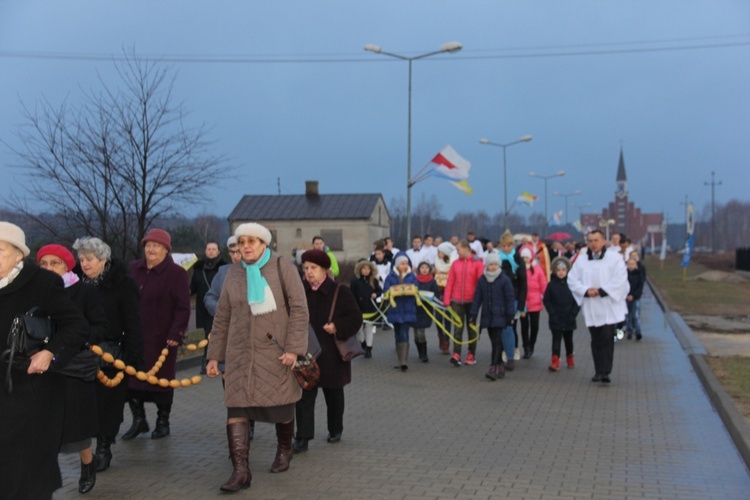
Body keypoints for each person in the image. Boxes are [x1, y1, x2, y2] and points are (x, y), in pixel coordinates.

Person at [206, 223, 308, 492]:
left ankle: (285, 449)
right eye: (242, 241)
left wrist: (294, 350)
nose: (246, 246)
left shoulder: (281, 267)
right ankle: (241, 471)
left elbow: (299, 309)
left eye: (252, 240)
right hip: (239, 355)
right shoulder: (233, 274)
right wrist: (214, 356)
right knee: (236, 410)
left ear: (265, 244)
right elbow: (223, 316)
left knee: (282, 409)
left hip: (276, 354)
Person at [0, 222, 88, 499]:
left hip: (32, 392)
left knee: (26, 471)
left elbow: (76, 327)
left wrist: (50, 352)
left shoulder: (42, 283)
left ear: (18, 255)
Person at [38, 244, 108, 494]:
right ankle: (41, 475)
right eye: (44, 264)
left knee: (75, 425)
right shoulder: (36, 292)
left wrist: (84, 340)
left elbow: (100, 325)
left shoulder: (83, 292)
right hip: (42, 367)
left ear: (67, 266)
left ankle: (87, 463)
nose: (48, 268)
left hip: (75, 365)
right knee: (43, 424)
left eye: (54, 263)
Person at [73, 236, 144, 473]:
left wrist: (133, 355)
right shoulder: (74, 283)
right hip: (81, 353)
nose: (85, 264)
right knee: (85, 403)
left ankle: (104, 447)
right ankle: (87, 449)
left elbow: (134, 320)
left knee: (108, 404)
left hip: (113, 354)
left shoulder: (123, 284)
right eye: (81, 259)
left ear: (103, 259)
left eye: (89, 259)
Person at [293, 249, 362, 452]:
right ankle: (303, 438)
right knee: (304, 397)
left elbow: (356, 318)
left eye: (313, 268)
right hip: (307, 353)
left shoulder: (339, 291)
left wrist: (337, 327)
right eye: (306, 268)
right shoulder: (300, 291)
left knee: (333, 395)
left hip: (332, 354)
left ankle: (335, 429)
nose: (309, 272)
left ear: (325, 270)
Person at [125, 228, 190, 440]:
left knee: (161, 381)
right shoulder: (134, 268)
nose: (151, 249)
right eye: (148, 245)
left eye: (156, 246)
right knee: (131, 381)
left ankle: (163, 422)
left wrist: (176, 332)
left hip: (162, 337)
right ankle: (139, 420)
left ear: (166, 250)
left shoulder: (176, 274)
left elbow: (183, 307)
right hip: (134, 336)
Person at [567, 230, 629, 384]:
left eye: (596, 240)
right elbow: (572, 279)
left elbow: (620, 278)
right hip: (592, 306)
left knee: (607, 337)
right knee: (596, 339)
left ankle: (606, 371)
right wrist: (586, 291)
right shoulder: (581, 260)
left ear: (603, 241)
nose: (593, 244)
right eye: (590, 241)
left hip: (608, 305)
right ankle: (598, 370)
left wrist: (602, 291)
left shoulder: (615, 259)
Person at [470, 253, 515, 380]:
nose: (493, 267)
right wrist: (473, 314)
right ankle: (500, 365)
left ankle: (492, 367)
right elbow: (477, 298)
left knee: (496, 341)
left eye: (495, 264)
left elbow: (510, 298)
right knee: (495, 341)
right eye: (491, 265)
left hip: (500, 315)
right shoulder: (482, 280)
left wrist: (510, 315)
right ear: (487, 265)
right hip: (487, 315)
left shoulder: (504, 279)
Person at [443, 241, 484, 367]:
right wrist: (447, 299)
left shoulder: (477, 263)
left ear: (466, 249)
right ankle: (456, 354)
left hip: (471, 301)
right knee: (457, 329)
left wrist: (479, 300)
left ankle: (471, 353)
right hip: (456, 301)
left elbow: (480, 283)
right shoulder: (455, 264)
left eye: (459, 249)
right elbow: (450, 281)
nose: (457, 252)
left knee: (471, 328)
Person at [190, 241, 225, 373]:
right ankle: (206, 361)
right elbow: (192, 287)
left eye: (213, 249)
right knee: (206, 335)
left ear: (218, 252)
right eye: (208, 249)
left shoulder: (224, 268)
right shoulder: (198, 269)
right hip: (202, 308)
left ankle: (217, 360)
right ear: (205, 251)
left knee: (216, 334)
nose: (211, 251)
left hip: (219, 308)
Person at [383, 252, 419, 371]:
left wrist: (410, 290)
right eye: (402, 264)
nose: (404, 266)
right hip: (395, 310)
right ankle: (400, 359)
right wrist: (391, 292)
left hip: (408, 309)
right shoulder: (391, 277)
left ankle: (404, 361)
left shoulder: (411, 276)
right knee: (397, 334)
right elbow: (386, 290)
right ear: (397, 265)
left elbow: (416, 287)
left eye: (406, 263)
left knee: (404, 333)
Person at [543, 257, 580, 371]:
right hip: (556, 317)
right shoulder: (551, 285)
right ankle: (555, 360)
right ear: (555, 271)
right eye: (558, 270)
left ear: (567, 270)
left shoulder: (572, 284)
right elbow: (547, 300)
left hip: (569, 317)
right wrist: (552, 313)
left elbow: (577, 301)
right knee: (556, 339)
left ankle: (570, 357)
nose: (561, 273)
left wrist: (573, 314)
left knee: (568, 340)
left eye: (563, 270)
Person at [498, 230, 527, 367]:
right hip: (500, 298)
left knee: (511, 326)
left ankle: (512, 350)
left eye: (509, 246)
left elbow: (523, 284)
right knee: (501, 326)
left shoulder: (518, 260)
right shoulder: (497, 259)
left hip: (514, 297)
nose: (506, 248)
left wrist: (521, 305)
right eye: (504, 246)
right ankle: (505, 350)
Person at [520, 247, 548, 359]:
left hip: (535, 302)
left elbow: (543, 284)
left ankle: (532, 344)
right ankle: (526, 347)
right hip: (523, 303)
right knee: (524, 326)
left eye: (527, 257)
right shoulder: (519, 269)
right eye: (523, 257)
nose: (525, 259)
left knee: (535, 326)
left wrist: (544, 296)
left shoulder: (537, 269)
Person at [350, 260, 381, 358]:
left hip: (370, 309)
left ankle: (369, 349)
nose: (366, 271)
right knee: (359, 329)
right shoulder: (354, 282)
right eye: (364, 268)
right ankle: (362, 342)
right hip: (359, 309)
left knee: (369, 328)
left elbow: (380, 290)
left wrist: (376, 294)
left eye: (368, 269)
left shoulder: (374, 281)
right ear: (360, 269)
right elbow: (352, 295)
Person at [414, 261, 440, 363]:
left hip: (426, 309)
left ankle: (424, 353)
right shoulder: (414, 280)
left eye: (426, 267)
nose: (424, 269)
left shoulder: (432, 281)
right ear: (419, 269)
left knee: (421, 331)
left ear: (429, 269)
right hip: (416, 308)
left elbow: (436, 293)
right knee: (416, 332)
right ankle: (420, 351)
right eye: (422, 267)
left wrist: (429, 297)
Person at [433, 242, 456, 354]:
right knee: (437, 318)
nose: (437, 253)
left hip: (448, 294)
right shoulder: (436, 262)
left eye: (440, 251)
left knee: (447, 318)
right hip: (437, 293)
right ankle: (440, 337)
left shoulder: (452, 263)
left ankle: (446, 342)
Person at [625, 256, 646, 340]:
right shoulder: (624, 274)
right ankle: (629, 331)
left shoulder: (639, 273)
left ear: (636, 265)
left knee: (636, 315)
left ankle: (638, 331)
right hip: (626, 297)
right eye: (629, 264)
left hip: (636, 297)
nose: (631, 266)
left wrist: (633, 295)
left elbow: (640, 286)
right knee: (628, 315)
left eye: (632, 264)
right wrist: (626, 295)